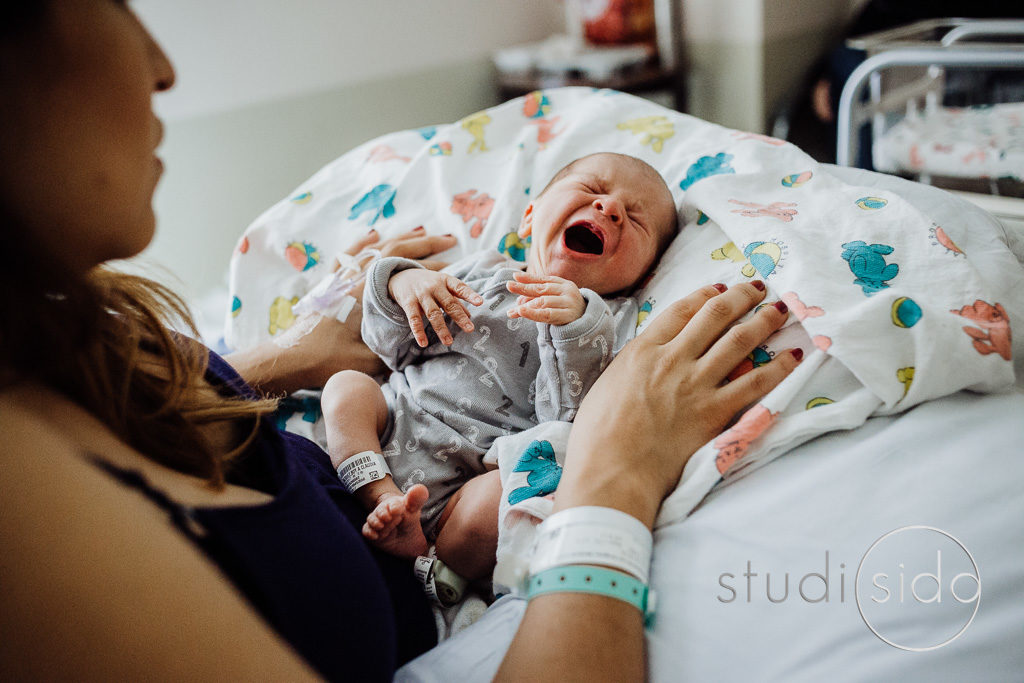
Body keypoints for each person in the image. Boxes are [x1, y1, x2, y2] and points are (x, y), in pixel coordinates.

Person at [0, 2, 800, 680]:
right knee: (355, 393)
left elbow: (558, 406)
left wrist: (299, 352)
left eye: (638, 224)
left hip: (452, 483)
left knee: (483, 484)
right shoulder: (26, 500)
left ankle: (431, 555)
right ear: (529, 221)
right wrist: (615, 471)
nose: (161, 63)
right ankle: (375, 482)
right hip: (380, 441)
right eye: (114, 1)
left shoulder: (51, 344)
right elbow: (395, 319)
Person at [322, 152, 679, 584]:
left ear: (647, 272)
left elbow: (563, 419)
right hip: (390, 427)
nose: (610, 208)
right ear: (529, 218)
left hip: (463, 490)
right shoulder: (483, 271)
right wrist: (401, 283)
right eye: (592, 190)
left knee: (496, 504)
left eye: (636, 220)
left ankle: (434, 566)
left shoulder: (608, 323)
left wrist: (577, 327)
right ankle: (378, 495)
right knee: (346, 388)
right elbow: (392, 350)